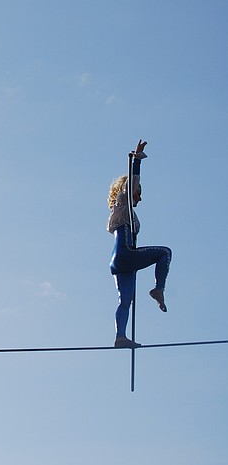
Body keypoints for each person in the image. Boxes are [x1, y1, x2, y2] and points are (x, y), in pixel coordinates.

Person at [107, 139, 172, 348]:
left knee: (125, 301)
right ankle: (158, 289)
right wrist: (137, 160)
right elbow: (131, 184)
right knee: (164, 253)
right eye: (139, 192)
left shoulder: (122, 213)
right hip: (126, 254)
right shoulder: (122, 205)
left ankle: (120, 336)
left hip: (121, 262)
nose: (140, 197)